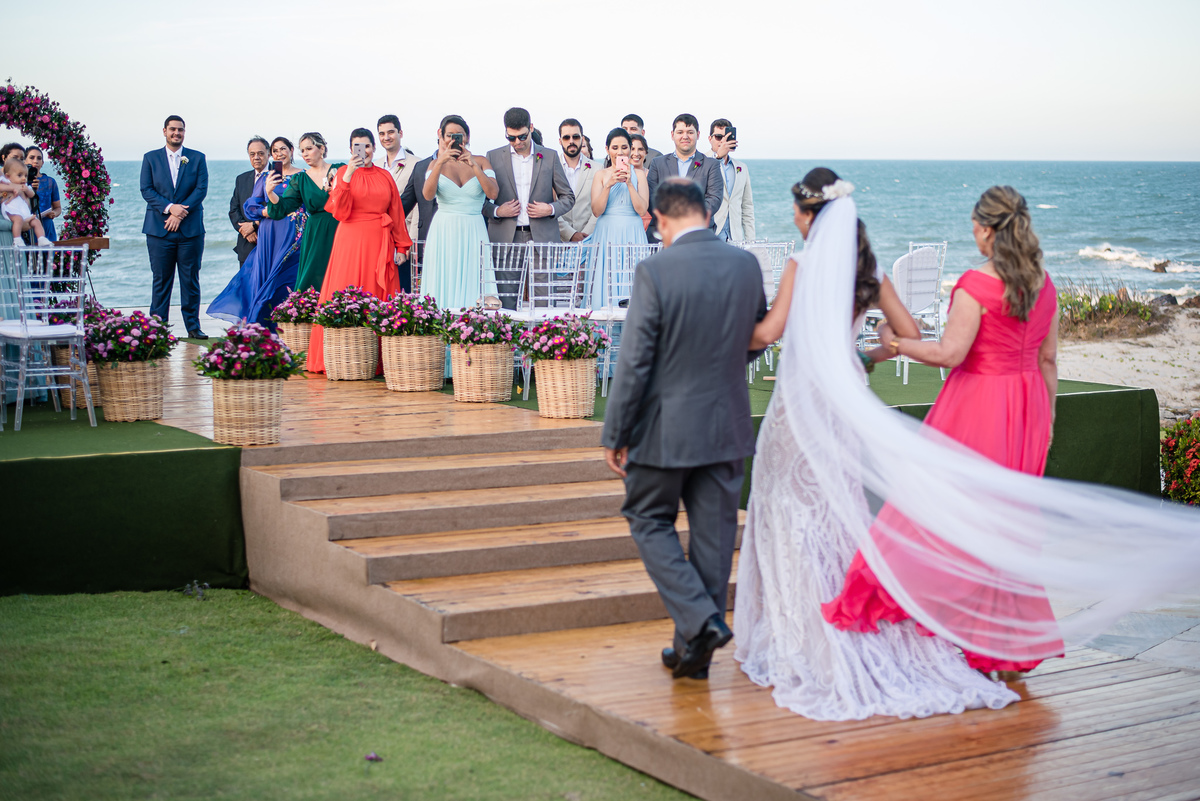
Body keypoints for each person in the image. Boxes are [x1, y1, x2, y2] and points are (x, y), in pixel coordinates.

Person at [732, 168, 1020, 720]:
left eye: (797, 211)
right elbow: (907, 333)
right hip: (844, 407)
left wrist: (717, 332)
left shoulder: (803, 263)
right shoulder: (869, 271)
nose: (793, 219)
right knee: (836, 512)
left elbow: (768, 334)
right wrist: (871, 353)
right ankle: (844, 617)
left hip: (799, 406)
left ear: (812, 214)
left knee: (787, 511)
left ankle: (800, 633)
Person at [821, 185, 1062, 678]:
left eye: (975, 226)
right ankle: (1003, 645)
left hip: (978, 406)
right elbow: (1049, 360)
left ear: (989, 230)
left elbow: (951, 353)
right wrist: (1047, 423)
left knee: (934, 509)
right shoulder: (1044, 285)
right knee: (1006, 524)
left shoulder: (976, 285)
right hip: (1029, 409)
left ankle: (903, 600)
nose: (972, 234)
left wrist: (898, 344)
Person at [601, 178, 766, 681]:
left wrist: (615, 432)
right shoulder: (746, 265)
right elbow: (756, 336)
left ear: (663, 220)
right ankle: (694, 653)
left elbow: (634, 361)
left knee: (648, 518)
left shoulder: (656, 269)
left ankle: (698, 622)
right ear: (704, 214)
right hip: (726, 424)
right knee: (714, 541)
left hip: (664, 427)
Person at [306, 128, 411, 373]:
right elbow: (338, 210)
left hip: (379, 240)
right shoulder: (343, 173)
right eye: (357, 146)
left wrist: (402, 246)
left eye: (366, 146)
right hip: (350, 241)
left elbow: (396, 211)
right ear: (350, 149)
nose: (362, 151)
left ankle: (378, 360)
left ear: (374, 149)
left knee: (378, 296)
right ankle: (339, 356)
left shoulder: (385, 176)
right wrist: (348, 175)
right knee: (344, 291)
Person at [208, 137, 306, 327]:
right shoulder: (266, 178)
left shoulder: (303, 176)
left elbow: (309, 205)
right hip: (271, 234)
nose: (279, 154)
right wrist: (266, 209)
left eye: (283, 149)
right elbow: (250, 207)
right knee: (267, 277)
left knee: (290, 277)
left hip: (295, 233)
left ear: (292, 150)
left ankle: (292, 325)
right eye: (275, 150)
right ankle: (262, 324)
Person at [484, 107, 574, 308]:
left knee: (544, 302)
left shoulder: (549, 156)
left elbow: (568, 197)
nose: (517, 142)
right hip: (507, 238)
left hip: (541, 237)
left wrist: (549, 209)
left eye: (522, 136)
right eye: (511, 138)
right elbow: (480, 202)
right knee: (506, 302)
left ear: (531, 128)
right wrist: (498, 211)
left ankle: (543, 339)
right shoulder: (492, 157)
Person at [140, 115, 209, 338]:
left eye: (180, 130)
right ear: (164, 131)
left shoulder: (197, 158)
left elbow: (201, 190)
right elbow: (146, 189)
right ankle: (158, 328)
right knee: (161, 280)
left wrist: (180, 213)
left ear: (184, 132)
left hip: (191, 231)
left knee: (190, 280)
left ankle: (193, 327)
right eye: (172, 129)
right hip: (159, 231)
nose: (176, 133)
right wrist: (170, 208)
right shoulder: (150, 158)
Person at [419, 116, 497, 311]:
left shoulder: (481, 161)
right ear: (442, 137)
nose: (452, 139)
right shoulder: (435, 164)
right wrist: (439, 163)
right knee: (444, 278)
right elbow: (428, 195)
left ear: (467, 137)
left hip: (474, 230)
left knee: (475, 278)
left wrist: (473, 165)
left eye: (458, 135)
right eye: (448, 135)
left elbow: (493, 192)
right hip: (444, 231)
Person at [266, 132, 342, 293]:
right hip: (315, 234)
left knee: (342, 274)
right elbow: (283, 208)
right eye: (302, 150)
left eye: (309, 148)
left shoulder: (340, 170)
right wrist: (271, 193)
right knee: (314, 278)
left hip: (341, 229)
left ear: (321, 149)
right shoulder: (300, 179)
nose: (305, 154)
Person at [581, 128, 648, 308]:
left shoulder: (639, 175)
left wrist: (629, 184)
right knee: (606, 277)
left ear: (630, 149)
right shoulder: (600, 175)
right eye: (615, 147)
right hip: (606, 232)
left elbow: (642, 210)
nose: (620, 152)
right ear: (607, 149)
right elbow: (596, 210)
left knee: (632, 277)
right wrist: (609, 184)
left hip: (633, 232)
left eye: (625, 147)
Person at [645, 114, 722, 240]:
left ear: (698, 134)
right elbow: (651, 197)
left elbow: (714, 198)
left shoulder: (711, 165)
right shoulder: (657, 163)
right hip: (664, 233)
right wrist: (672, 219)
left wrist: (689, 219)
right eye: (680, 132)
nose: (685, 136)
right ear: (672, 135)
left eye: (690, 132)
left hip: (700, 233)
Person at [376, 114, 420, 268]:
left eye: (390, 132)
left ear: (400, 134)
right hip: (378, 236)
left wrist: (412, 241)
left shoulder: (417, 164)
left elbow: (418, 206)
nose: (386, 137)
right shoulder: (375, 164)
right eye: (382, 134)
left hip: (404, 234)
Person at [708, 119, 755, 242]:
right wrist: (718, 157)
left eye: (727, 137)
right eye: (718, 137)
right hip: (710, 234)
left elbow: (747, 206)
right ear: (710, 139)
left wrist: (751, 241)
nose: (723, 141)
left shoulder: (742, 167)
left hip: (734, 237)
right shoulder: (701, 162)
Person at [557, 118, 600, 243]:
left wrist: (584, 235)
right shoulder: (550, 168)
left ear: (582, 138)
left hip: (589, 240)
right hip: (558, 241)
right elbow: (550, 205)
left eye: (575, 137)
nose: (571, 141)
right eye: (566, 138)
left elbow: (599, 207)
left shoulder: (597, 168)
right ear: (560, 141)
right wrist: (570, 234)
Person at [230, 137, 269, 267]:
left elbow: (279, 210)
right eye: (252, 154)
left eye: (260, 153)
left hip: (270, 242)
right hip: (246, 245)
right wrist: (245, 230)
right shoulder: (241, 179)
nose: (256, 157)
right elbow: (234, 209)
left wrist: (254, 226)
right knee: (246, 287)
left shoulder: (279, 177)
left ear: (269, 154)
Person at [1, 159, 52, 246]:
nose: (24, 178)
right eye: (19, 175)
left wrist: (27, 190)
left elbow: (32, 195)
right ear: (8, 176)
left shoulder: (25, 186)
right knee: (18, 220)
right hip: (11, 210)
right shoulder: (7, 182)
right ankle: (17, 239)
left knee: (36, 221)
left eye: (25, 175)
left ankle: (41, 238)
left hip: (23, 211)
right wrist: (13, 189)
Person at [24, 147, 61, 241]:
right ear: (24, 161)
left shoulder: (50, 181)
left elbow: (58, 207)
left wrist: (54, 213)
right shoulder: (20, 181)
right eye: (32, 158)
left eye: (39, 158)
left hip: (46, 225)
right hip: (27, 226)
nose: (35, 161)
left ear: (43, 162)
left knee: (48, 254)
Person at [628, 134, 652, 231]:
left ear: (646, 152)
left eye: (640, 149)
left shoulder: (651, 175)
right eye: (632, 149)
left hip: (649, 225)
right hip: (627, 224)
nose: (636, 153)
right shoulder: (619, 176)